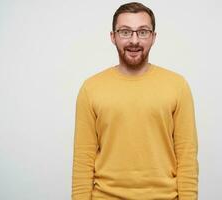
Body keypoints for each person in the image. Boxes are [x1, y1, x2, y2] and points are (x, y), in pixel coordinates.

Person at [72, 2, 199, 200]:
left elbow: (187, 157)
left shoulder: (177, 86)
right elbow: (83, 160)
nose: (134, 40)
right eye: (125, 32)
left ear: (153, 37)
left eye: (142, 32)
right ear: (113, 37)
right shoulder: (91, 88)